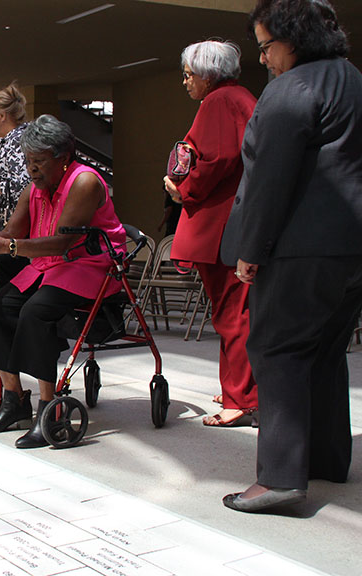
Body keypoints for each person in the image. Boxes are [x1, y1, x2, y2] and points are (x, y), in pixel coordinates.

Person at [220, 0, 362, 513]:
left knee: (277, 352)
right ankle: (325, 459)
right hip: (351, 248)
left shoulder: (290, 89)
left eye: (265, 47)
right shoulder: (353, 79)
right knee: (324, 353)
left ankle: (280, 478)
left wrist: (250, 251)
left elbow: (269, 180)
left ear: (293, 40)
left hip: (300, 249)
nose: (263, 59)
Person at [0, 114, 125, 449]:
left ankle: (50, 410)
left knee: (35, 312)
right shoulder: (33, 189)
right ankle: (14, 402)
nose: (32, 169)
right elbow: (11, 234)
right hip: (49, 266)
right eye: (28, 161)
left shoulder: (85, 182)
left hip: (90, 266)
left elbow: (64, 242)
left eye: (38, 162)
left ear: (63, 158)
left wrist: (8, 246)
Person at [162, 40, 258, 428]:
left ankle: (241, 398)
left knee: (232, 314)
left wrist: (181, 189)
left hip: (221, 223)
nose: (185, 82)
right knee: (236, 312)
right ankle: (239, 388)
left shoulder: (219, 101)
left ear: (207, 75)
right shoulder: (240, 97)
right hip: (233, 218)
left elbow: (217, 159)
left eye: (188, 75)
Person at [0, 83, 32, 288]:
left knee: (15, 283)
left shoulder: (19, 140)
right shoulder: (5, 141)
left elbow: (27, 184)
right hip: (5, 225)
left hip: (15, 226)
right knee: (5, 281)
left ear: (2, 115)